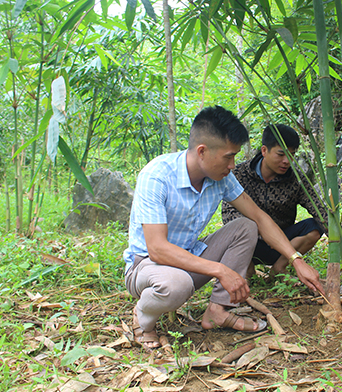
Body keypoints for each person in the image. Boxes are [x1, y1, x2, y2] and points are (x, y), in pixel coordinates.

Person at [123, 106, 324, 349]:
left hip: (189, 258)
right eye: (228, 156)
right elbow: (157, 249)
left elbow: (259, 218)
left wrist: (296, 260)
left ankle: (217, 311)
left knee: (246, 226)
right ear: (202, 152)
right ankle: (142, 318)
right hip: (147, 266)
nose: (233, 165)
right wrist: (221, 270)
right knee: (176, 285)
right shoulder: (157, 176)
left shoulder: (221, 177)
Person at [222, 124, 331, 277]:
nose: (287, 161)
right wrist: (260, 231)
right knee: (238, 228)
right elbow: (228, 213)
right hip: (249, 243)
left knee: (314, 226)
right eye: (281, 154)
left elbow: (321, 211)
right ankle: (248, 270)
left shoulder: (296, 180)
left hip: (282, 245)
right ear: (264, 150)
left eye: (291, 155)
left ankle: (279, 268)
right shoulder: (239, 174)